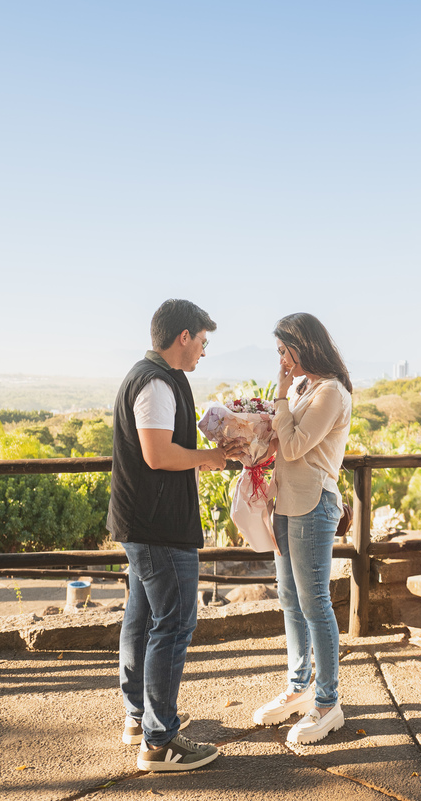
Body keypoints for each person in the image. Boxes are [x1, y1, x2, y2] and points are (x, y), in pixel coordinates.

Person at [109, 299, 243, 772]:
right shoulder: (156, 383)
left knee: (143, 619)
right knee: (175, 624)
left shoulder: (154, 377)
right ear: (183, 336)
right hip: (158, 527)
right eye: (202, 342)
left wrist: (207, 448)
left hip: (145, 523)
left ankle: (139, 718)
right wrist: (208, 458)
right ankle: (160, 742)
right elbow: (158, 455)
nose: (204, 351)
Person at [252, 313, 353, 745]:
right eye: (278, 353)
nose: (281, 360)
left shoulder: (330, 392)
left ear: (303, 345)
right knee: (291, 603)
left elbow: (294, 445)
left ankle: (328, 703)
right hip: (288, 503)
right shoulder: (305, 387)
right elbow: (283, 444)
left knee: (316, 606)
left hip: (314, 506)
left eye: (283, 351)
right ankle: (299, 688)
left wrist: (276, 398)